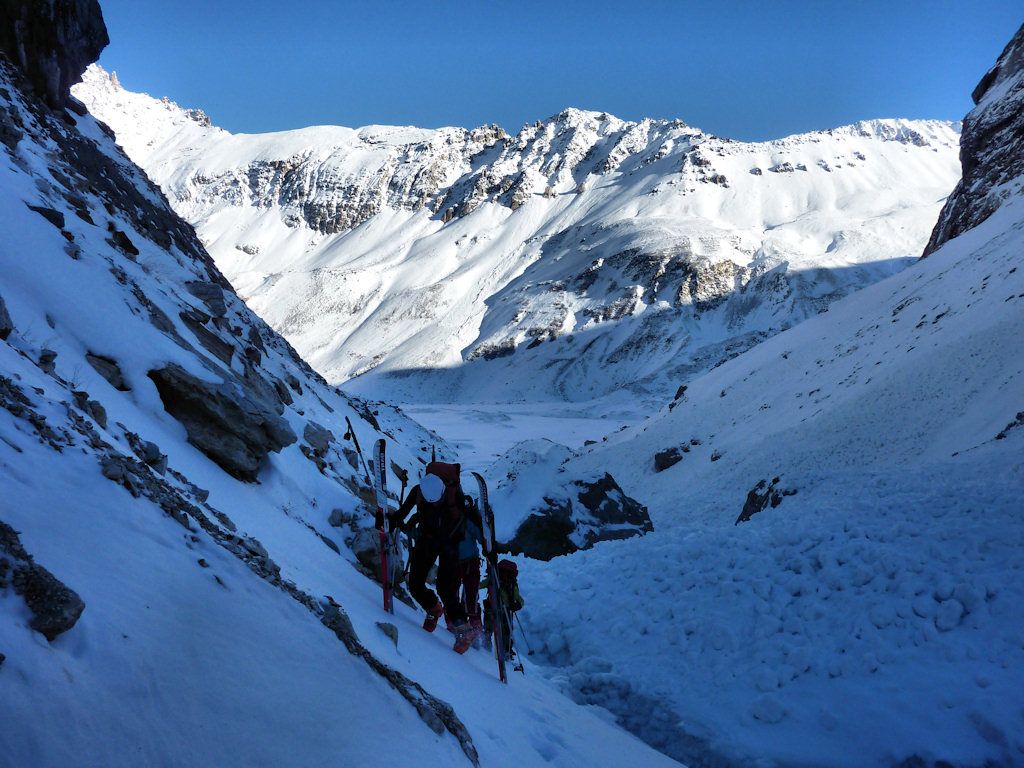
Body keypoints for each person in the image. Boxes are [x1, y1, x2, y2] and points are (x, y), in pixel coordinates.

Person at [387, 462, 475, 654]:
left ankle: (463, 629)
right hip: (427, 540)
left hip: (450, 545)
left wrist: (487, 545)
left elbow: (474, 520)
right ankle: (433, 608)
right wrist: (390, 521)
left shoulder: (456, 498)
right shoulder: (419, 492)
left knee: (445, 588)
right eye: (431, 501)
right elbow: (402, 512)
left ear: (444, 490)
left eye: (438, 500)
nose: (435, 503)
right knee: (415, 583)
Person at [482, 559, 525, 660]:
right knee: (505, 634)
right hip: (505, 612)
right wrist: (516, 605)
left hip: (491, 609)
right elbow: (520, 600)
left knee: (488, 629)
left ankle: (486, 648)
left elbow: (479, 585)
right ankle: (506, 653)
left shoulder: (492, 581)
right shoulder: (511, 585)